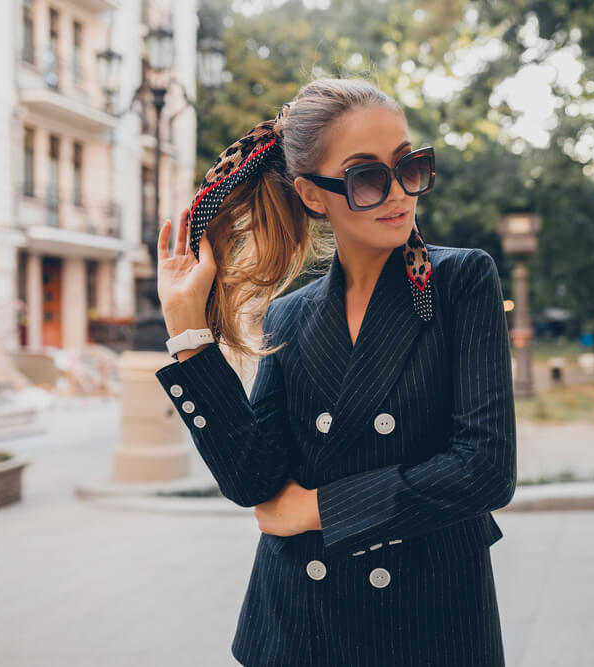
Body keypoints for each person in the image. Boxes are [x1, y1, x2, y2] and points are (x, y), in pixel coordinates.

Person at [154, 76, 517, 667]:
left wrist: (318, 509)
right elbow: (251, 478)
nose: (399, 193)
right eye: (367, 176)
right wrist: (189, 332)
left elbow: (485, 470)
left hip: (427, 627)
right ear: (313, 194)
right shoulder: (289, 316)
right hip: (300, 628)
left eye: (410, 166)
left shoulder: (460, 283)